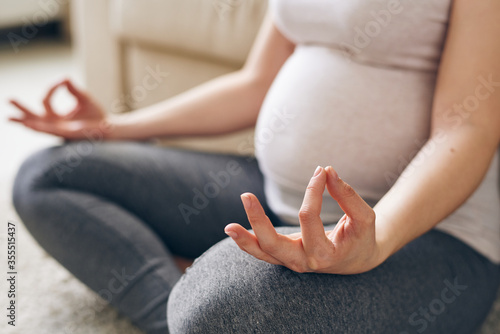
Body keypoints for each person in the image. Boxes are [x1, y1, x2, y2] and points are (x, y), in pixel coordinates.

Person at [9, 0, 500, 333]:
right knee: (49, 175)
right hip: (274, 198)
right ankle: (180, 313)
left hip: (426, 238)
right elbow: (257, 81)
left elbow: (466, 129)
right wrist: (112, 129)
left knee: (217, 304)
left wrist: (377, 243)